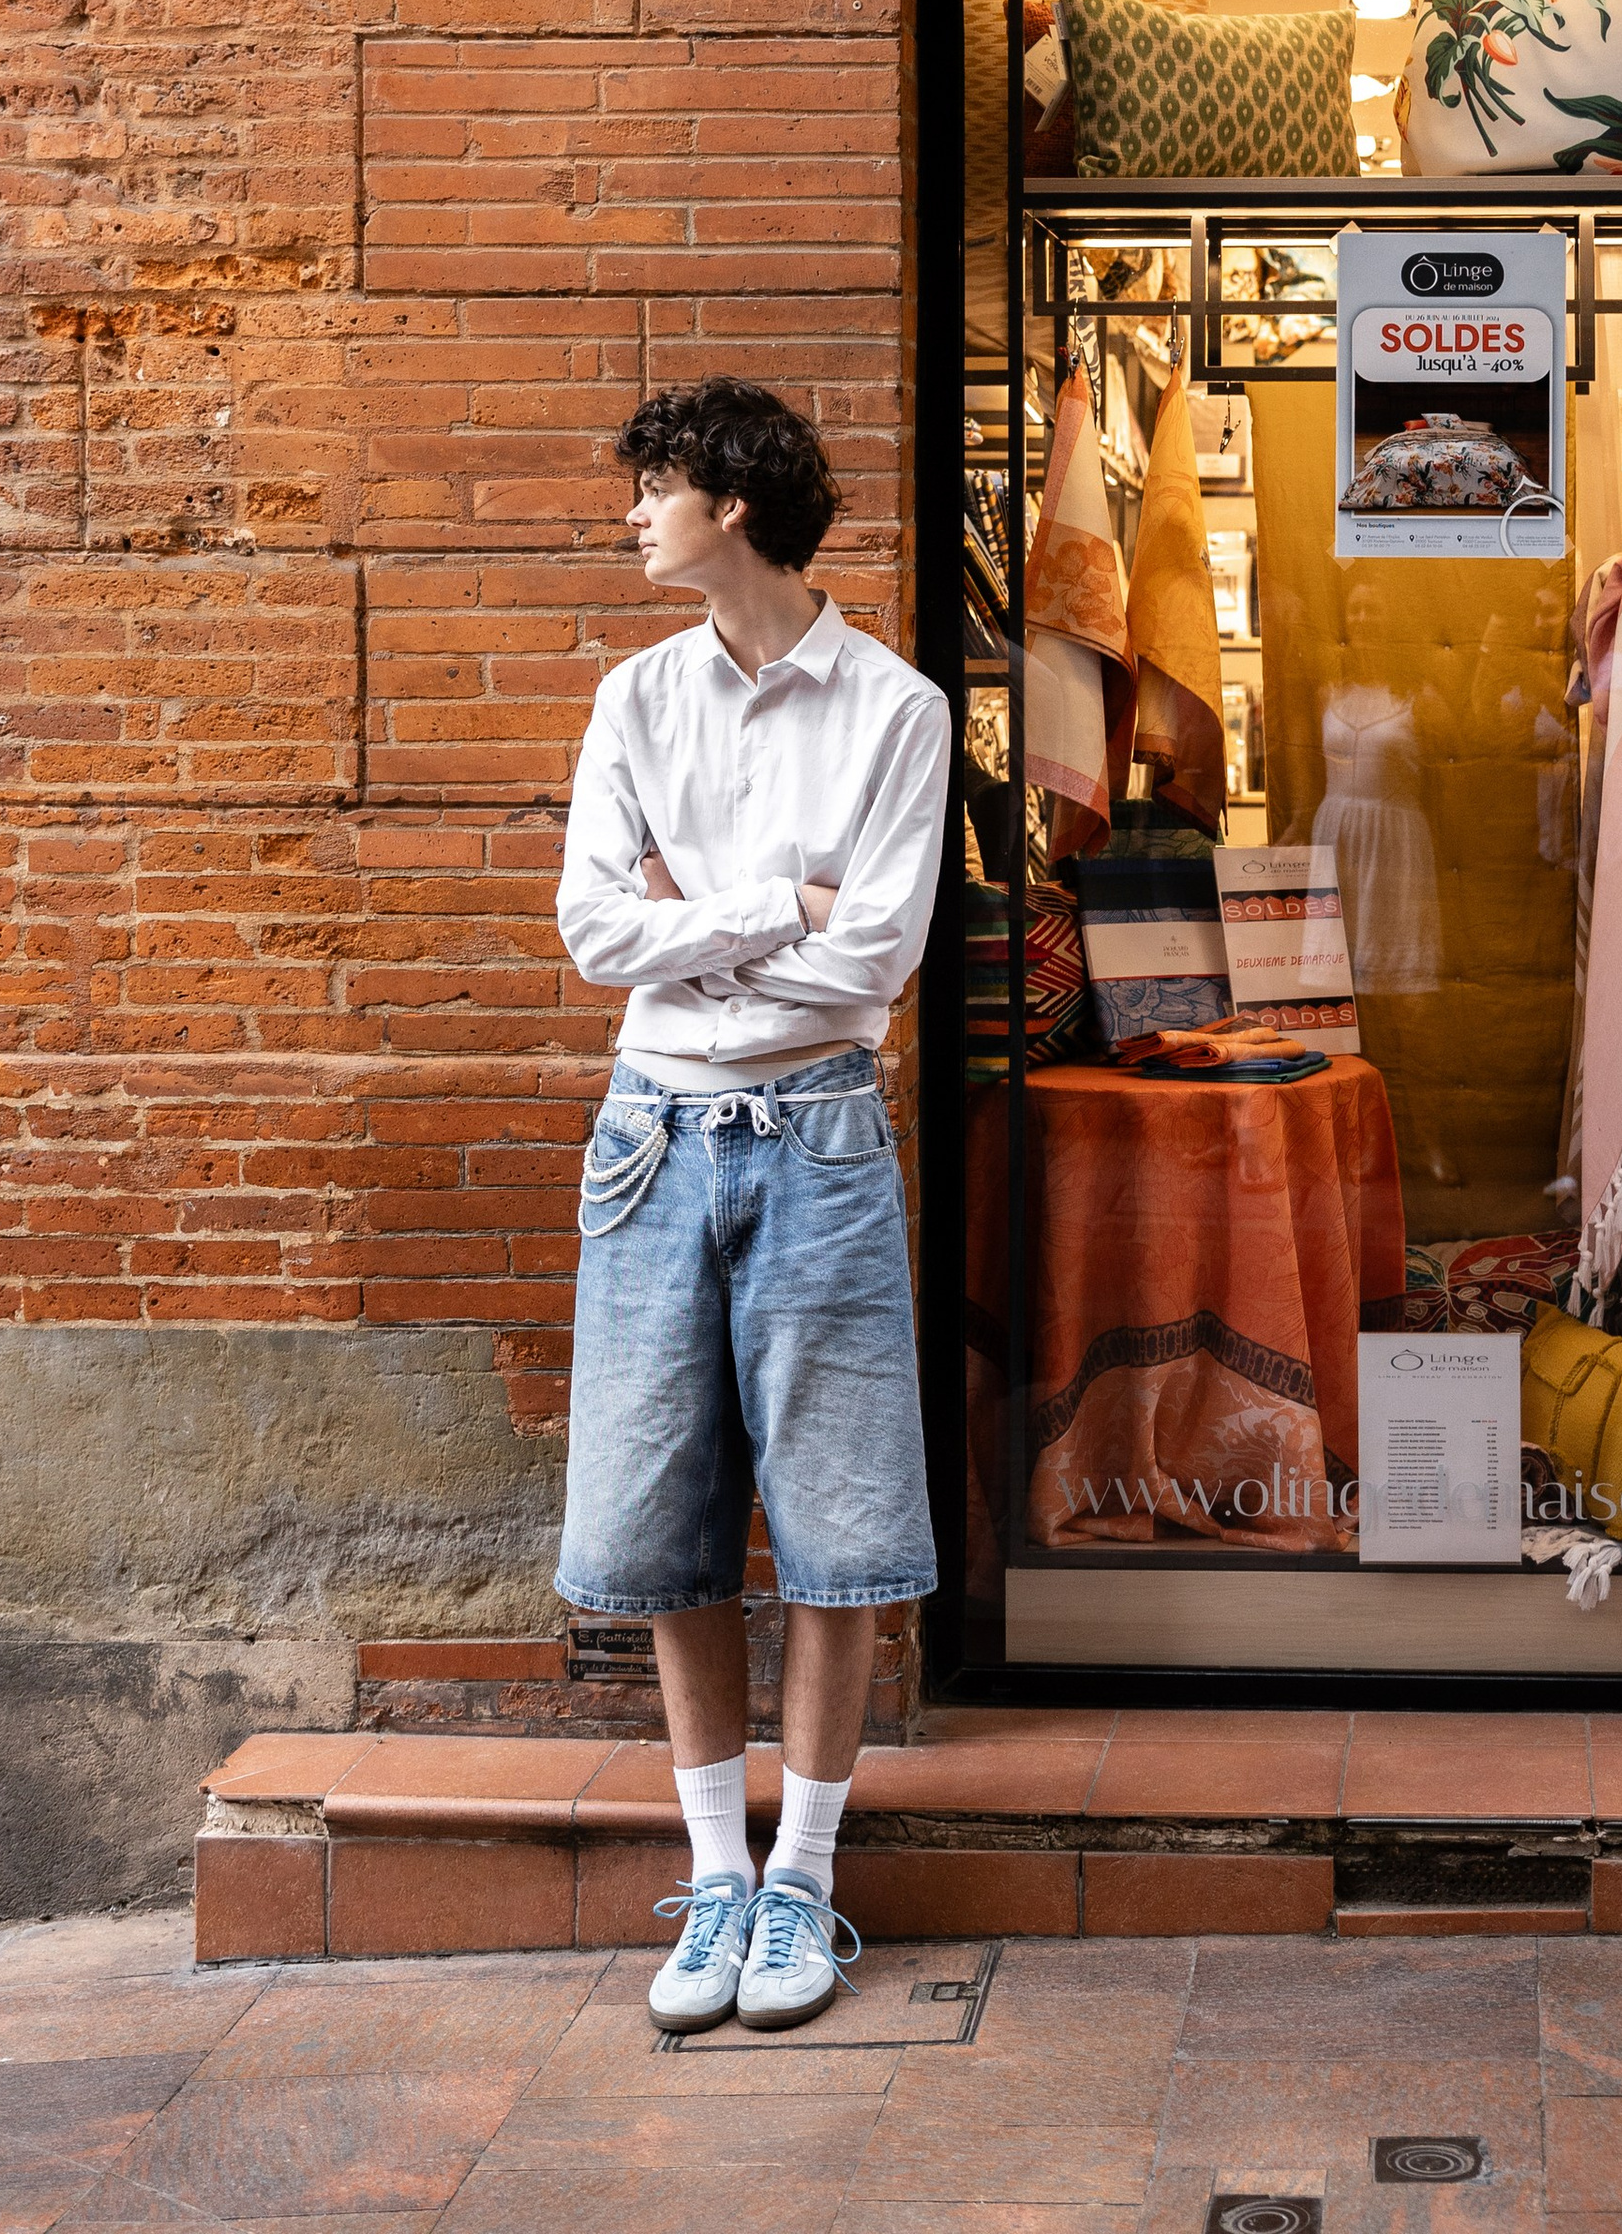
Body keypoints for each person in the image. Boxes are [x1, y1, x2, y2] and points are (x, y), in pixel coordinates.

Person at [554, 377, 952, 2034]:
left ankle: (804, 1880)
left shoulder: (896, 710)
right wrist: (779, 904)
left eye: (653, 486)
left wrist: (695, 923)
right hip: (650, 1139)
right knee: (669, 1517)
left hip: (821, 1135)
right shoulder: (635, 698)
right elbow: (595, 932)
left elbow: (876, 961)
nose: (631, 515)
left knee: (842, 1529)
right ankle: (718, 1873)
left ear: (731, 503)